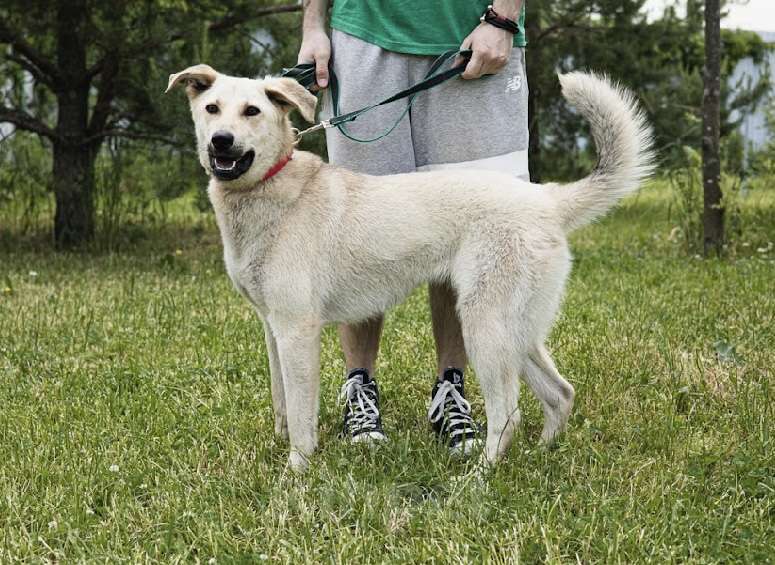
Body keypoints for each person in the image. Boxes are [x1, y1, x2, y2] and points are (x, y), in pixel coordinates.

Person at [297, 0, 528, 454]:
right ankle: (358, 386)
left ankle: (451, 388)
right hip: (364, 38)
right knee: (358, 228)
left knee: (469, 223)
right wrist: (313, 24)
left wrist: (503, 16)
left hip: (473, 38)